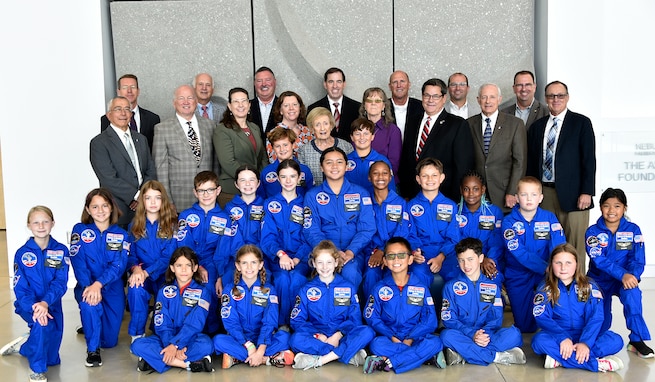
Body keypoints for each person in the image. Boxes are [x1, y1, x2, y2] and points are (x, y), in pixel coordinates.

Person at [526, 80, 596, 265]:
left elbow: (589, 160)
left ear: (567, 97)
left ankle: (578, 291)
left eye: (560, 95)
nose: (556, 99)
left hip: (575, 196)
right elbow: (532, 164)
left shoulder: (581, 123)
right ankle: (552, 289)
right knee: (547, 244)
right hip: (545, 194)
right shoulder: (537, 127)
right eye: (551, 96)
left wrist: (587, 192)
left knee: (574, 246)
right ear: (545, 99)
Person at [0, 206, 69, 382]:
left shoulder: (61, 250)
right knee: (41, 322)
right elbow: (21, 288)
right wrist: (36, 306)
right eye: (36, 222)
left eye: (45, 221)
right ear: (29, 225)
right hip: (29, 305)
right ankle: (37, 370)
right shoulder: (22, 253)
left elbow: (60, 283)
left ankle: (25, 348)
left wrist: (45, 303)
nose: (41, 226)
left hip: (52, 305)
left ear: (52, 223)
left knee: (53, 359)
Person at [532, 244, 624, 372]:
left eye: (568, 263)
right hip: (559, 336)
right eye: (558, 263)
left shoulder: (589, 286)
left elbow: (596, 317)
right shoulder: (545, 288)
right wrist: (563, 338)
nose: (563, 267)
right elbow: (542, 317)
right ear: (551, 266)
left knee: (616, 340)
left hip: (585, 334)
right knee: (538, 342)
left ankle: (561, 359)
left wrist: (585, 343)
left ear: (576, 264)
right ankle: (595, 364)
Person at [585, 188, 653, 358]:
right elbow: (599, 260)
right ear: (600, 208)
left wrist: (632, 276)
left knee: (633, 295)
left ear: (625, 208)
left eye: (617, 206)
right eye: (607, 206)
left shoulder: (633, 230)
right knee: (600, 317)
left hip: (625, 279)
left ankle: (637, 340)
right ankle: (597, 340)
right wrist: (622, 274)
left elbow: (638, 259)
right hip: (599, 280)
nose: (612, 210)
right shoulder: (592, 232)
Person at [363, 236, 444, 374]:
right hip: (389, 337)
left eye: (401, 255)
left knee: (435, 343)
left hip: (415, 336)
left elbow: (430, 320)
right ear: (385, 261)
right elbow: (371, 317)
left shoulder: (421, 288)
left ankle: (387, 362)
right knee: (376, 345)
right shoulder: (379, 288)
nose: (396, 260)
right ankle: (424, 357)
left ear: (410, 259)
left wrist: (410, 338)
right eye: (391, 256)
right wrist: (392, 336)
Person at [289, 240, 374, 370]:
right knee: (295, 339)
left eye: (329, 262)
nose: (324, 267)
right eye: (320, 262)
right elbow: (297, 320)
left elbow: (355, 319)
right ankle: (346, 354)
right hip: (317, 337)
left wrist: (339, 334)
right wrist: (318, 335)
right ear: (314, 264)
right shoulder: (306, 289)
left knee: (367, 332)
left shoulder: (348, 287)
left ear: (336, 263)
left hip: (341, 336)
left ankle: (321, 360)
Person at [440, 238, 524, 366]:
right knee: (446, 336)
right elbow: (448, 319)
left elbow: (496, 318)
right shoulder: (450, 287)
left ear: (480, 258)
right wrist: (472, 334)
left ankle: (463, 354)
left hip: (487, 336)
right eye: (461, 260)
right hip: (464, 333)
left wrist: (482, 336)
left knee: (515, 334)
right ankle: (496, 356)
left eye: (470, 259)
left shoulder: (492, 287)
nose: (466, 265)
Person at [69, 188, 129, 367]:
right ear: (88, 210)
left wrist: (99, 284)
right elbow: (78, 262)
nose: (100, 210)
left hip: (112, 289)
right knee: (90, 303)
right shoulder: (79, 230)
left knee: (109, 342)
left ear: (112, 208)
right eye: (95, 207)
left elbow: (119, 265)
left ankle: (92, 325)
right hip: (86, 286)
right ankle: (93, 350)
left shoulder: (122, 234)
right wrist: (90, 286)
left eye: (104, 205)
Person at [131, 247, 214, 373]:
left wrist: (176, 345)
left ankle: (157, 361)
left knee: (207, 345)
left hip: (190, 338)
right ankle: (185, 364)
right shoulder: (164, 291)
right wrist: (170, 345)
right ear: (172, 268)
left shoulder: (203, 292)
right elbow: (161, 323)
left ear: (195, 267)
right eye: (179, 265)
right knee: (136, 345)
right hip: (165, 338)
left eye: (188, 265)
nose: (184, 269)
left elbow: (195, 324)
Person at [302, 147, 375, 290]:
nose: (334, 166)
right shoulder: (312, 196)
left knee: (350, 272)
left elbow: (367, 228)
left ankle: (350, 311)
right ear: (321, 167)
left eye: (339, 162)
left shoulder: (361, 193)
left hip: (353, 253)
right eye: (329, 162)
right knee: (322, 272)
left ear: (346, 166)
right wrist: (332, 252)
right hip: (323, 252)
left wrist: (350, 251)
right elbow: (311, 230)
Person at [501, 176, 566, 333]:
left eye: (533, 195)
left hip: (546, 275)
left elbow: (558, 246)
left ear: (541, 198)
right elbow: (519, 252)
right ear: (516, 198)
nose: (529, 199)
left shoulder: (550, 218)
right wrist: (544, 267)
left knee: (555, 315)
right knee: (525, 327)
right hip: (518, 275)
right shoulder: (508, 222)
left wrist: (554, 268)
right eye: (524, 195)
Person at [214, 245, 295, 369]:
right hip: (240, 339)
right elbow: (231, 322)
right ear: (238, 266)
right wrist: (249, 346)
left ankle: (240, 357)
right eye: (244, 263)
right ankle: (267, 359)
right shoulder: (229, 289)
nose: (249, 267)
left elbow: (270, 322)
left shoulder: (269, 289)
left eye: (253, 262)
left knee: (285, 337)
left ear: (260, 265)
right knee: (217, 341)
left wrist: (261, 348)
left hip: (263, 338)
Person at [399, 78, 474, 201]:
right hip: (413, 196)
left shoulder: (457, 124)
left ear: (444, 98)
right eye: (427, 95)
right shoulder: (412, 121)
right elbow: (406, 159)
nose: (430, 100)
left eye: (435, 96)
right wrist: (406, 192)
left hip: (444, 196)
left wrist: (455, 198)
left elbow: (462, 166)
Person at [91, 96, 156, 228]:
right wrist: (136, 196)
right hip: (118, 209)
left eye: (127, 109)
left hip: (144, 209)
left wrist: (143, 195)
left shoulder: (141, 139)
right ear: (109, 115)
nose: (123, 113)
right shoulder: (99, 142)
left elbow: (150, 170)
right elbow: (108, 178)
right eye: (118, 109)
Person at [260, 159, 312, 325]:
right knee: (282, 279)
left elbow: (310, 235)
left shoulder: (307, 204)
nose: (288, 181)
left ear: (299, 178)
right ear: (278, 178)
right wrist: (280, 254)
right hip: (277, 258)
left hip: (302, 258)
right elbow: (267, 237)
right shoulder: (269, 204)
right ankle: (282, 325)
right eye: (284, 177)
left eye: (292, 176)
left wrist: (297, 258)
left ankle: (297, 323)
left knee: (297, 278)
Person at [126, 180, 178, 342]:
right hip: (143, 274)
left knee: (167, 295)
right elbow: (130, 255)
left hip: (166, 275)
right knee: (135, 288)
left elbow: (169, 257)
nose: (153, 202)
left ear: (163, 200)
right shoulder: (134, 225)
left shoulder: (173, 224)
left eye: (157, 197)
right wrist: (136, 270)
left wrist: (146, 272)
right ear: (142, 201)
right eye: (148, 198)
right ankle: (137, 333)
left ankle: (161, 329)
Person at [153, 84, 218, 212]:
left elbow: (215, 163)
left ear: (196, 101)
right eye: (181, 98)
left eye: (190, 98)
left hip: (208, 197)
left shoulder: (210, 125)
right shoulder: (162, 128)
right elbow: (160, 168)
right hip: (179, 199)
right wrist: (167, 200)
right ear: (174, 103)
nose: (186, 102)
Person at [176, 171, 224, 334]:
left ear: (218, 190)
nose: (206, 194)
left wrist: (220, 275)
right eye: (202, 191)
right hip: (189, 262)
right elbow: (183, 246)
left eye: (210, 190)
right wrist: (197, 266)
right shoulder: (186, 216)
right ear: (195, 192)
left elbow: (225, 250)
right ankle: (186, 332)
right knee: (187, 288)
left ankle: (209, 333)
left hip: (214, 263)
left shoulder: (225, 218)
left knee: (208, 287)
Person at [467, 83, 527, 212]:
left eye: (492, 97)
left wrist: (512, 191)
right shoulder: (469, 124)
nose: (488, 101)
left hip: (504, 193)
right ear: (478, 100)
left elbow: (520, 162)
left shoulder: (515, 124)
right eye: (484, 97)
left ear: (499, 99)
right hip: (477, 194)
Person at [407, 158, 460, 300]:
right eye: (425, 176)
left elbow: (454, 237)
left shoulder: (451, 206)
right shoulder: (410, 206)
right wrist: (415, 251)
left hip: (447, 254)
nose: (430, 179)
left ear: (442, 178)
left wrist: (441, 257)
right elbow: (409, 234)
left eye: (434, 175)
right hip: (422, 254)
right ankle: (424, 316)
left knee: (458, 276)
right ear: (418, 179)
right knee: (418, 276)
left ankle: (451, 318)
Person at [361, 161, 410, 298]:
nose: (380, 177)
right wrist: (376, 252)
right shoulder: (365, 202)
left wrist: (385, 252)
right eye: (375, 173)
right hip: (371, 252)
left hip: (394, 253)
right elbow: (362, 231)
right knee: (371, 273)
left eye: (384, 173)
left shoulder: (400, 203)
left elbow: (402, 232)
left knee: (395, 273)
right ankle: (370, 314)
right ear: (369, 177)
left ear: (390, 177)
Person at [214, 87, 269, 207]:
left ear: (249, 105)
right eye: (236, 101)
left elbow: (263, 157)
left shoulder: (254, 127)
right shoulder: (222, 130)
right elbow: (228, 162)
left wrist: (258, 180)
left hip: (255, 190)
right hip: (232, 191)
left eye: (244, 101)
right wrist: (247, 181)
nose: (240, 105)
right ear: (229, 106)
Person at [214, 165, 266, 290]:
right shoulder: (228, 208)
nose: (247, 184)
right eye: (242, 180)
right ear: (236, 184)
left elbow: (268, 236)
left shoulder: (266, 206)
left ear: (258, 183)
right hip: (235, 258)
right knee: (228, 279)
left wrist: (254, 258)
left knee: (264, 281)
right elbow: (224, 241)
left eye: (252, 180)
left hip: (260, 258)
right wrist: (220, 273)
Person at [456, 170, 505, 284]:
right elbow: (455, 240)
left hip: (488, 259)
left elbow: (497, 242)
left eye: (476, 189)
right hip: (462, 261)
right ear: (461, 190)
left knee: (493, 277)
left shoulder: (494, 212)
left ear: (483, 190)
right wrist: (474, 260)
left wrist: (487, 259)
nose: (471, 193)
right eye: (466, 189)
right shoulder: (456, 212)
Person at [101, 74, 160, 151]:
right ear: (118, 91)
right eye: (125, 87)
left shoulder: (153, 118)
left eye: (133, 87)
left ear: (138, 91)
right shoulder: (107, 119)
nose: (129, 91)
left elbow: (155, 149)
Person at [297, 107, 353, 185]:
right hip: (314, 195)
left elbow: (351, 174)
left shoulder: (346, 146)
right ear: (312, 129)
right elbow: (303, 180)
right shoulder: (304, 151)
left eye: (325, 123)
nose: (322, 128)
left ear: (331, 125)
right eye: (317, 125)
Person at [307, 67, 361, 141]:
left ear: (344, 84)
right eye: (331, 82)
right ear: (325, 84)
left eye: (339, 81)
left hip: (350, 151)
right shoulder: (313, 108)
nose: (335, 86)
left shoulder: (357, 108)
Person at [260, 127, 313, 199]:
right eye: (277, 146)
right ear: (272, 148)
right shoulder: (266, 172)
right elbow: (261, 198)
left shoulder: (304, 170)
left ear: (293, 145)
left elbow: (310, 197)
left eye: (285, 145)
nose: (282, 149)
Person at [359, 87, 402, 177]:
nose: (373, 104)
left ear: (383, 106)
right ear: (364, 105)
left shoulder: (393, 130)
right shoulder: (357, 128)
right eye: (369, 101)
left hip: (384, 180)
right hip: (359, 178)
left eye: (378, 101)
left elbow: (394, 163)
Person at [346, 118, 394, 195]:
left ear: (372, 136)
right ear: (352, 137)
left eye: (366, 134)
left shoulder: (382, 161)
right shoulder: (345, 161)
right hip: (351, 204)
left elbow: (391, 190)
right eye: (357, 134)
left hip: (375, 205)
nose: (362, 137)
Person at [265, 90, 312, 162]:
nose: (291, 108)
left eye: (295, 104)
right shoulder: (273, 133)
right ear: (280, 110)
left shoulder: (308, 132)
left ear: (300, 108)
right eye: (286, 105)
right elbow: (274, 161)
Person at [387, 70, 423, 140]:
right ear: (390, 86)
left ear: (409, 85)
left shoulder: (421, 107)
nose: (399, 85)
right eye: (395, 82)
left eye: (402, 81)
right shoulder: (382, 107)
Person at [250, 67, 278, 141]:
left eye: (268, 80)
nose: (264, 84)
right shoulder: (246, 107)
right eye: (259, 81)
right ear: (254, 84)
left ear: (275, 82)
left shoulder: (284, 105)